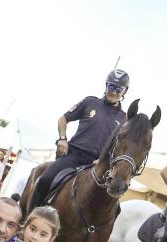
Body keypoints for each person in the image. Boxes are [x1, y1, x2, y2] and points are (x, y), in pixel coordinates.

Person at [28, 69, 129, 211]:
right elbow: (63, 119)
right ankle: (30, 218)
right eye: (111, 87)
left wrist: (104, 161)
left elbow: (119, 147)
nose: (114, 92)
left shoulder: (124, 119)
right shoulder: (90, 102)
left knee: (115, 209)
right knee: (45, 180)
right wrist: (62, 139)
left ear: (125, 92)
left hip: (97, 165)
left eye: (119, 89)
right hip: (74, 156)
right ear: (106, 86)